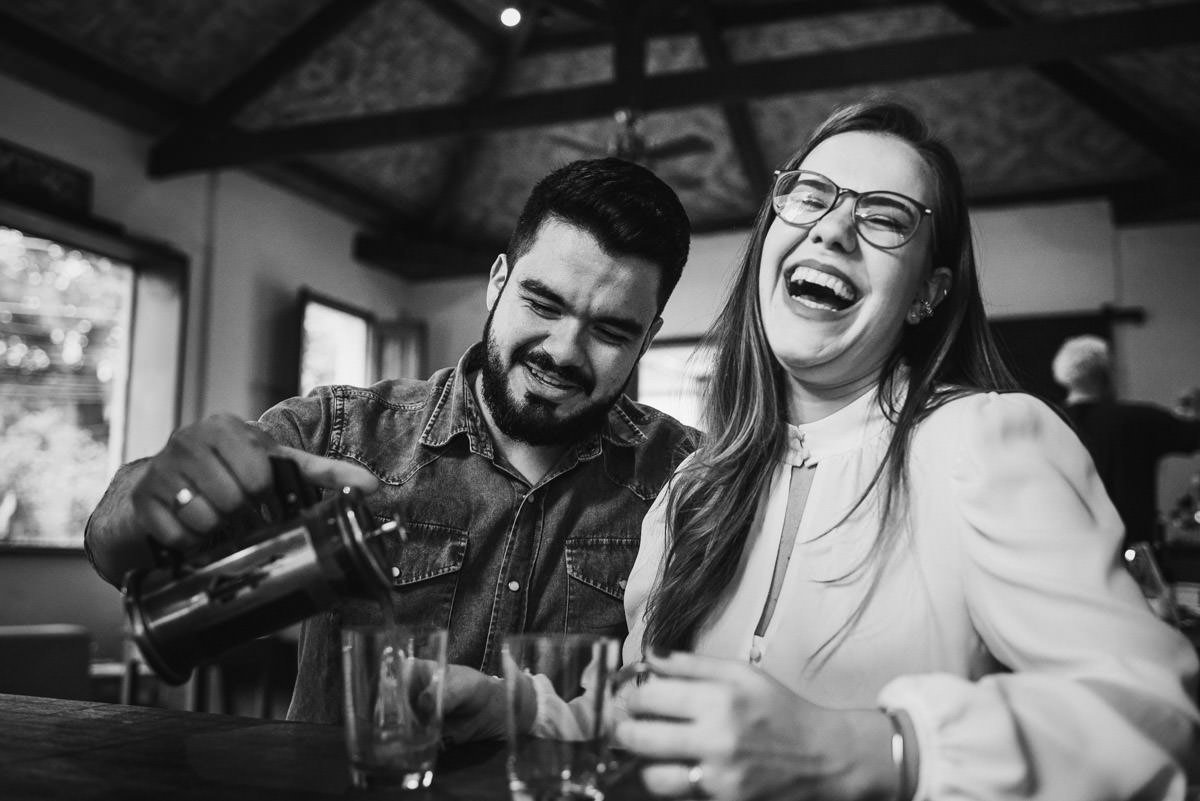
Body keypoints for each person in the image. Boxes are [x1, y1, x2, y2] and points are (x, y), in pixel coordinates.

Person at [446, 100, 1200, 799]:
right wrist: (516, 707)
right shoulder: (693, 487)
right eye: (811, 195)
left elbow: (1153, 714)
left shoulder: (983, 440)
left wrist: (872, 748)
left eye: (885, 217)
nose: (834, 229)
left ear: (928, 293)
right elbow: (660, 712)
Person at [84, 157, 699, 724]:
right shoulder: (340, 433)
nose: (564, 351)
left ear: (648, 338)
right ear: (497, 282)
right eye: (542, 305)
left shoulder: (690, 477)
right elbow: (118, 555)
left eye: (610, 332)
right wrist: (153, 495)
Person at [1052, 334, 1200, 547]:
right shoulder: (1138, 419)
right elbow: (1193, 435)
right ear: (1106, 374)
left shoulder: (1049, 422)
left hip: (1067, 548)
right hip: (1132, 548)